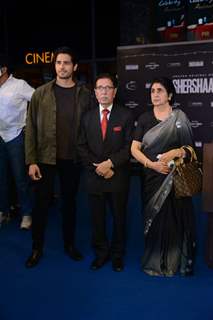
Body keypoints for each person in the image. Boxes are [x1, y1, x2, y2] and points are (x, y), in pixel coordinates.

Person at [25, 46, 91, 268]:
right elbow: (31, 128)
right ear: (55, 66)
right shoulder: (40, 93)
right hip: (45, 158)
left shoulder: (85, 95)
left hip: (72, 159)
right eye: (58, 63)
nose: (62, 67)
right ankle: (36, 248)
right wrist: (31, 160)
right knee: (40, 205)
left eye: (66, 63)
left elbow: (90, 128)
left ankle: (69, 245)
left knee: (70, 204)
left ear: (74, 67)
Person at [131, 77, 196, 276]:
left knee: (177, 219)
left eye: (160, 91)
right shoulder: (144, 119)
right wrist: (151, 164)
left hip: (176, 180)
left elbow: (190, 150)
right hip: (152, 177)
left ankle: (176, 262)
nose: (156, 94)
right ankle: (155, 261)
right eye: (153, 91)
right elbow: (134, 148)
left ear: (169, 95)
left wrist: (176, 152)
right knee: (155, 218)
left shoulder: (179, 117)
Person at [78, 73, 133, 272]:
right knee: (97, 219)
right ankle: (101, 254)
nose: (104, 91)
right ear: (95, 92)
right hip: (94, 177)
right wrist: (99, 168)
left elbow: (129, 148)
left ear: (115, 91)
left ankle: (118, 255)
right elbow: (81, 147)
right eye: (100, 87)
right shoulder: (86, 117)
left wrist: (110, 164)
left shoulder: (126, 115)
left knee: (119, 218)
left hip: (117, 176)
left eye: (108, 87)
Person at [0, 56, 34, 229]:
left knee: (20, 178)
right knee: (1, 178)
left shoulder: (19, 85)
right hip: (0, 137)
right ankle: (3, 211)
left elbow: (37, 100)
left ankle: (27, 214)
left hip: (15, 136)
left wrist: (29, 124)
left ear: (3, 69)